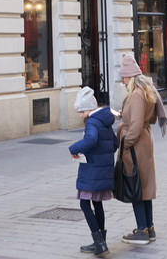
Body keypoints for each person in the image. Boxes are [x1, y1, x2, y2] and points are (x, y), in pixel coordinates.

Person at [116, 53, 167, 245]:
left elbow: (136, 126)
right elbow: (147, 119)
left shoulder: (137, 93)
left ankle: (141, 231)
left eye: (123, 77)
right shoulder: (145, 90)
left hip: (135, 146)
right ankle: (149, 228)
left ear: (130, 76)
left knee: (135, 186)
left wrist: (124, 144)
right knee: (144, 186)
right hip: (144, 142)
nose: (122, 80)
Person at [68, 86, 117, 257]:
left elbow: (91, 139)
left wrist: (74, 148)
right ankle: (101, 242)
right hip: (103, 169)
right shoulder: (105, 120)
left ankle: (99, 244)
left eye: (82, 111)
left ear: (89, 108)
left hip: (92, 170)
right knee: (97, 203)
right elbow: (115, 144)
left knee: (84, 203)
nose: (81, 115)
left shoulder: (92, 122)